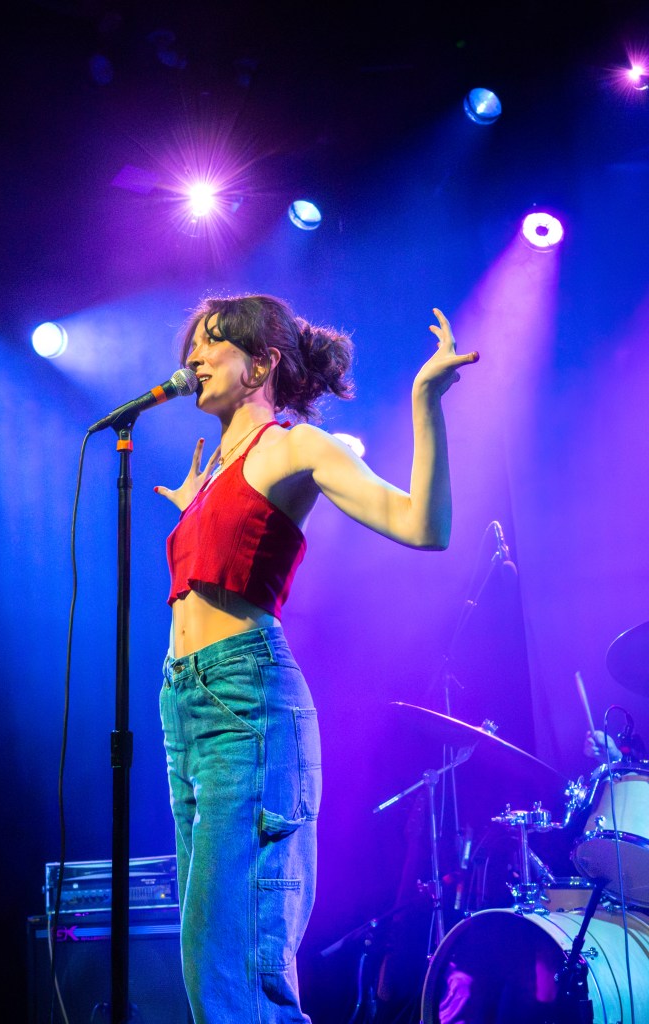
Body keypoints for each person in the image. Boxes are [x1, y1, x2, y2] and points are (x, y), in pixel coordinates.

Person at [154, 293, 478, 1024]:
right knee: (212, 966)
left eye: (212, 343)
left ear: (261, 364)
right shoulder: (216, 472)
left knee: (236, 969)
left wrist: (426, 402)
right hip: (185, 704)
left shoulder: (294, 445)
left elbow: (423, 525)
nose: (192, 357)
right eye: (191, 345)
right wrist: (196, 516)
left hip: (245, 700)